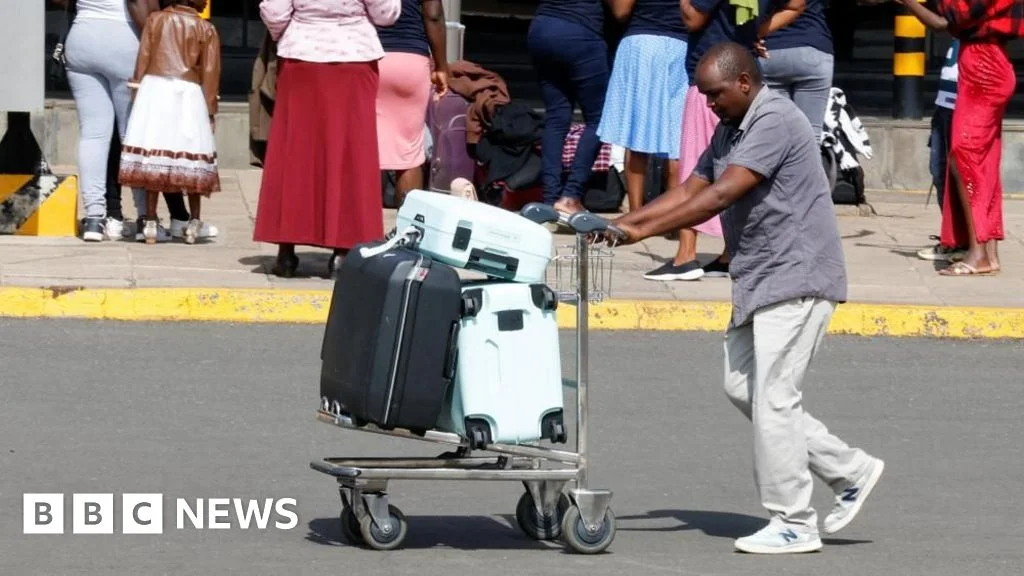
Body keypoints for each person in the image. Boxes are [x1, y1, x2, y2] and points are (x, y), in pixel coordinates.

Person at [608, 43, 884, 554]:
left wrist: (638, 235)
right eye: (704, 96)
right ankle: (850, 469)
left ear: (743, 82)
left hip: (797, 275)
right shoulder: (730, 126)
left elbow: (720, 196)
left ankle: (794, 521)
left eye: (714, 95)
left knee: (775, 399)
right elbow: (692, 188)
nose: (709, 104)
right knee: (743, 387)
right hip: (760, 278)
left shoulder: (774, 119)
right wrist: (618, 225)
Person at [643, 0, 805, 281]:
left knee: (697, 166)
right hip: (745, 84)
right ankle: (730, 253)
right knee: (735, 164)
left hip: (713, 82)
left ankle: (686, 255)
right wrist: (756, 32)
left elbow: (693, 18)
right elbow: (796, 4)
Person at [254, 0, 401, 279]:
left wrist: (293, 31)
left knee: (295, 153)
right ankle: (342, 254)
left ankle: (286, 253)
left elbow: (274, 11)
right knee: (350, 154)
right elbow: (387, 13)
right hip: (354, 57)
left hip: (301, 58)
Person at [118, 0, 221, 244]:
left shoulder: (155, 20)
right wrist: (210, 110)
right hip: (189, 91)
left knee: (155, 153)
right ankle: (194, 223)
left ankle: (151, 222)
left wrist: (138, 91)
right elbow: (210, 72)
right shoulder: (205, 28)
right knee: (192, 153)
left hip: (155, 87)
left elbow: (143, 57)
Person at [934, 0, 1021, 276]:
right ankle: (988, 252)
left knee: (964, 157)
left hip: (985, 70)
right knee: (982, 162)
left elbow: (955, 15)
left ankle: (978, 253)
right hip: (981, 67)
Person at [61, 0, 159, 242]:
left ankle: (94, 218)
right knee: (132, 135)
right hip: (124, 39)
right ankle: (145, 217)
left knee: (93, 134)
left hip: (82, 36)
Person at [597, 0, 690, 214]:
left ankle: (636, 215)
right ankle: (675, 216)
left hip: (643, 45)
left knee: (637, 135)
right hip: (683, 46)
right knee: (677, 140)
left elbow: (621, 11)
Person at [897, 0, 965, 263]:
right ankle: (953, 237)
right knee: (939, 172)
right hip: (944, 104)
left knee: (956, 176)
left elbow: (939, 24)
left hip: (961, 105)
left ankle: (962, 241)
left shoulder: (972, 14)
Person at [528, 0, 612, 215]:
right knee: (599, 119)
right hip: (580, 32)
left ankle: (550, 199)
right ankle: (571, 196)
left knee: (556, 117)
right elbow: (621, 10)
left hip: (542, 27)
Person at [374, 0, 449, 207]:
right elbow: (433, 14)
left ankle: (367, 230)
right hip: (410, 59)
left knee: (369, 148)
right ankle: (406, 231)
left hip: (369, 57)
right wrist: (442, 65)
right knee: (409, 153)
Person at [759, 0, 833, 141]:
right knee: (811, 138)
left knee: (777, 138)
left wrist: (755, 35)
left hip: (770, 50)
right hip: (813, 49)